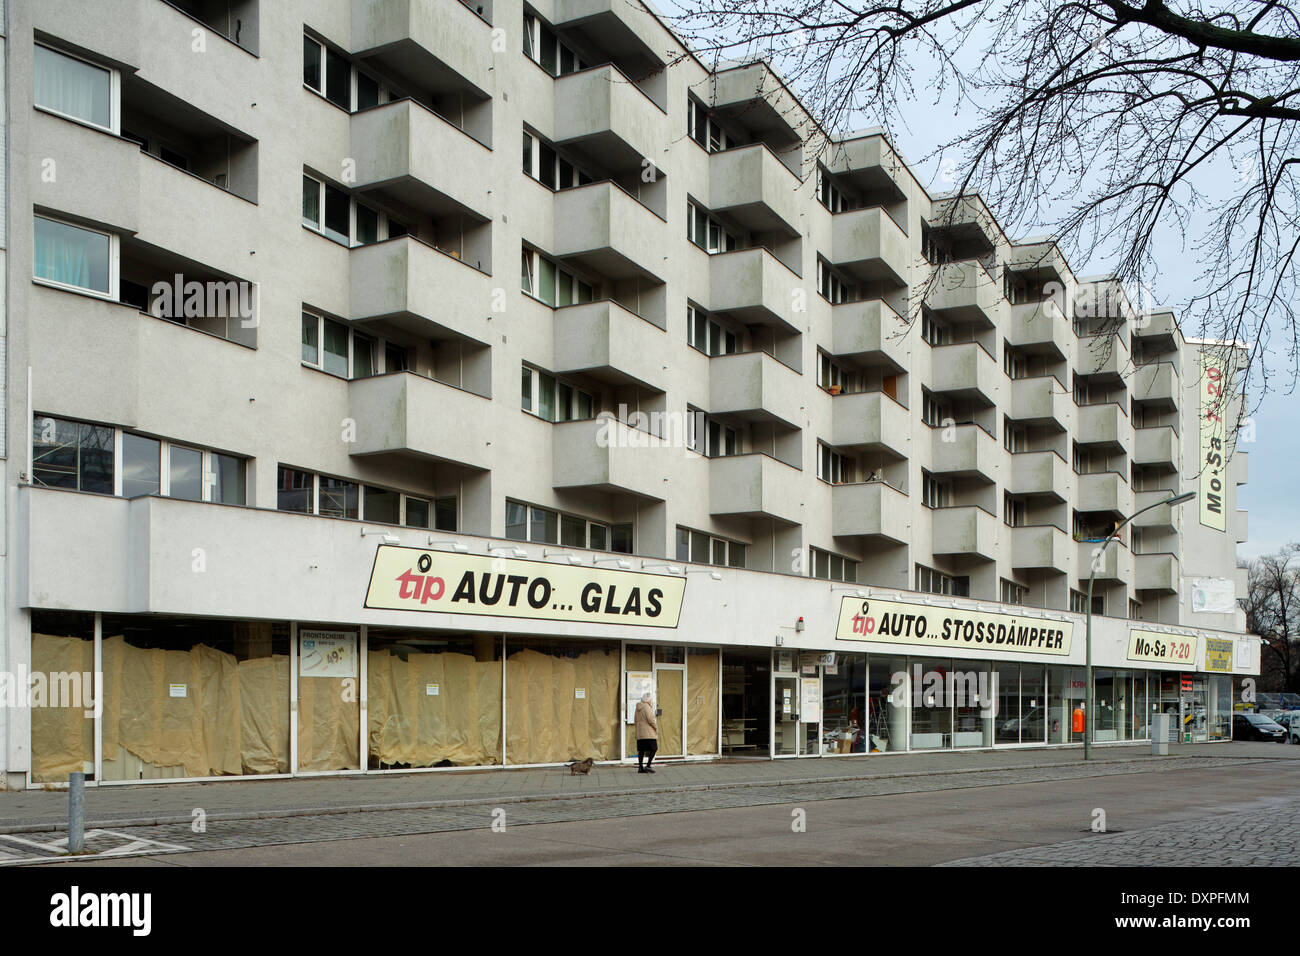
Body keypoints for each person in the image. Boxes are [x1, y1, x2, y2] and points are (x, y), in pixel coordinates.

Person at [634, 691, 658, 773]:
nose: (651, 701)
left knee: (641, 750)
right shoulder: (647, 707)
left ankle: (640, 767)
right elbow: (651, 720)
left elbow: (635, 720)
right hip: (648, 732)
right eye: (651, 700)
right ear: (648, 700)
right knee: (654, 748)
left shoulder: (638, 708)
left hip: (640, 732)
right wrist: (655, 728)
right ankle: (648, 765)